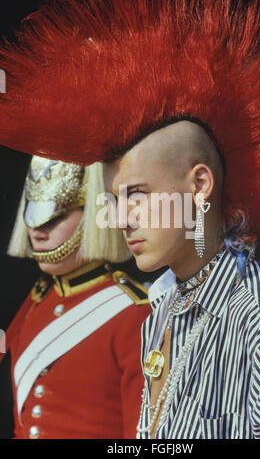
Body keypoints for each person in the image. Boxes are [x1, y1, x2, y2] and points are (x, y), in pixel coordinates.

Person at [0, 0, 260, 439]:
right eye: (116, 199)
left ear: (199, 186)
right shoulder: (162, 305)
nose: (121, 219)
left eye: (137, 194)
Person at [0, 155, 152, 439]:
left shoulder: (133, 312)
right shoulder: (38, 296)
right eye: (34, 214)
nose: (37, 233)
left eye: (55, 217)